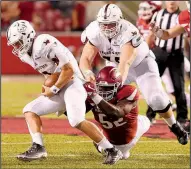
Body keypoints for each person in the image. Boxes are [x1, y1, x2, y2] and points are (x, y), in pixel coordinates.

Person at [6, 20, 123, 164]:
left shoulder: (44, 42)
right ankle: (38, 147)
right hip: (61, 86)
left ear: (27, 36)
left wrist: (53, 89)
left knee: (76, 120)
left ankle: (111, 150)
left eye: (17, 43)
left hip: (74, 84)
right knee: (29, 110)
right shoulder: (25, 55)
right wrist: (48, 85)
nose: (16, 47)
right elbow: (49, 74)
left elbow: (68, 70)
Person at [79, 4, 188, 145]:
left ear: (119, 21)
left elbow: (125, 63)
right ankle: (108, 134)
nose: (106, 28)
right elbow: (85, 58)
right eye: (103, 24)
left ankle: (174, 126)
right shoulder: (93, 30)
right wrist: (88, 74)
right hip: (113, 65)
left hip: (141, 65)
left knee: (156, 100)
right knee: (106, 100)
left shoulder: (128, 31)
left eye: (111, 24)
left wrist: (116, 85)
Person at [83, 66, 150, 160]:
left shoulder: (128, 91)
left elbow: (115, 114)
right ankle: (102, 144)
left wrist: (94, 95)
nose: (103, 91)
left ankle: (99, 145)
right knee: (123, 155)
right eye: (101, 87)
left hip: (130, 136)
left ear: (118, 86)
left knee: (146, 121)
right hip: (113, 140)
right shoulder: (93, 93)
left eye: (108, 88)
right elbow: (76, 113)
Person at [149, 1, 190, 132]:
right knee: (153, 84)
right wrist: (156, 31)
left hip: (176, 54)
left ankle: (182, 118)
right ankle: (150, 115)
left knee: (179, 87)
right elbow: (167, 34)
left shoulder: (182, 15)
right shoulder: (184, 16)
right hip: (160, 52)